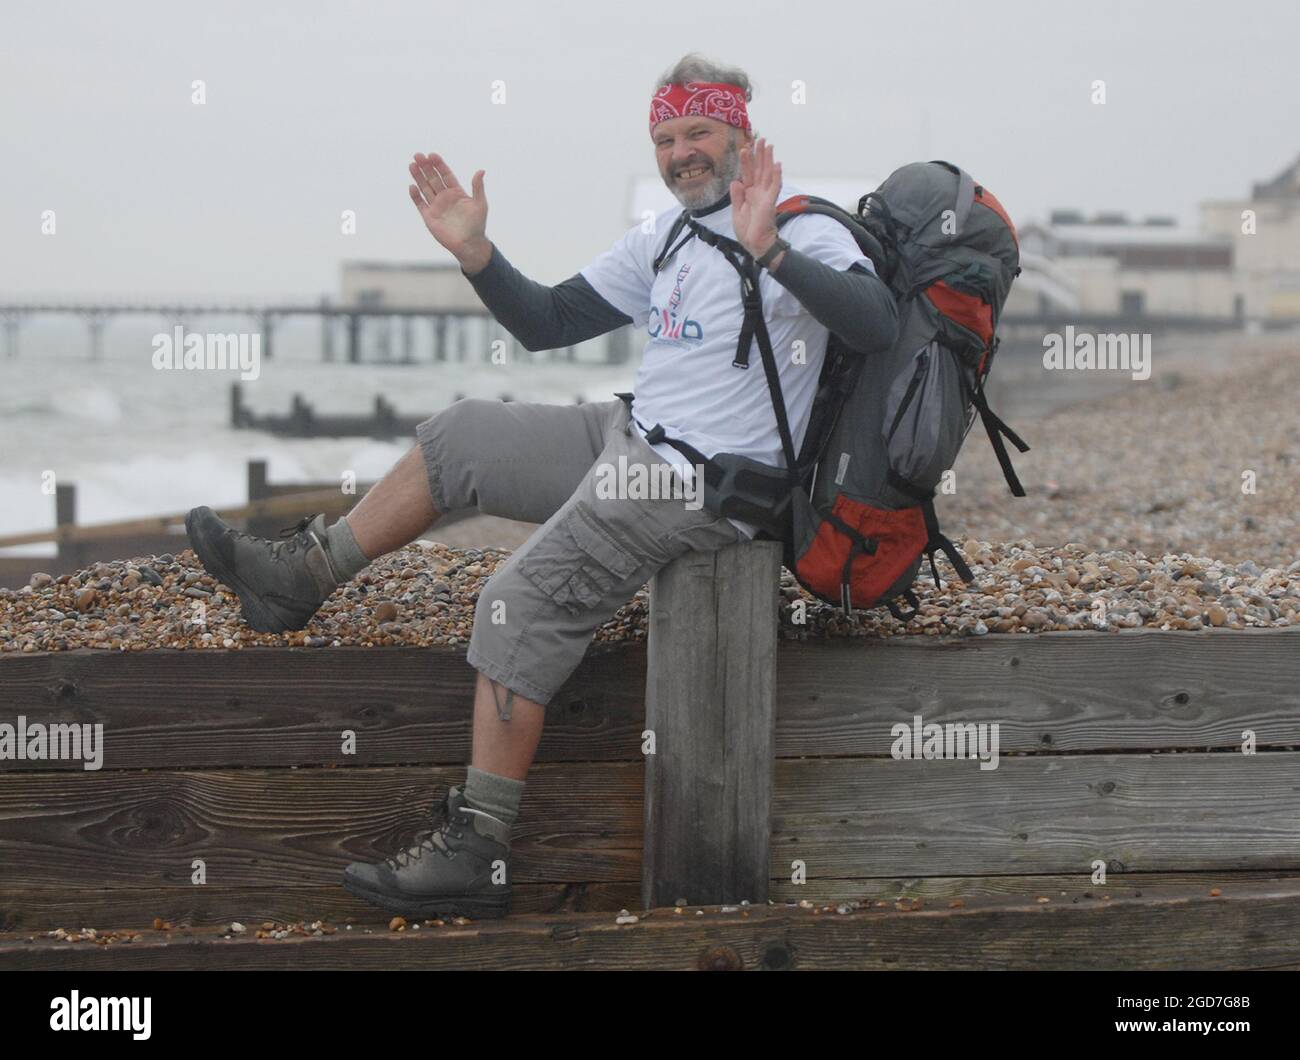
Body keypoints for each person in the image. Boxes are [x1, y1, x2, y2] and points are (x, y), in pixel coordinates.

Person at [184, 52, 898, 920]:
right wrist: (478, 253)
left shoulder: (797, 225)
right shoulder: (664, 236)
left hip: (701, 485)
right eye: (666, 136)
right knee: (464, 434)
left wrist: (773, 252)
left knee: (512, 603)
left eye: (699, 132)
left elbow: (875, 324)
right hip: (630, 434)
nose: (681, 152)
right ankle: (300, 577)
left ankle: (478, 847)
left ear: (741, 134)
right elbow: (548, 321)